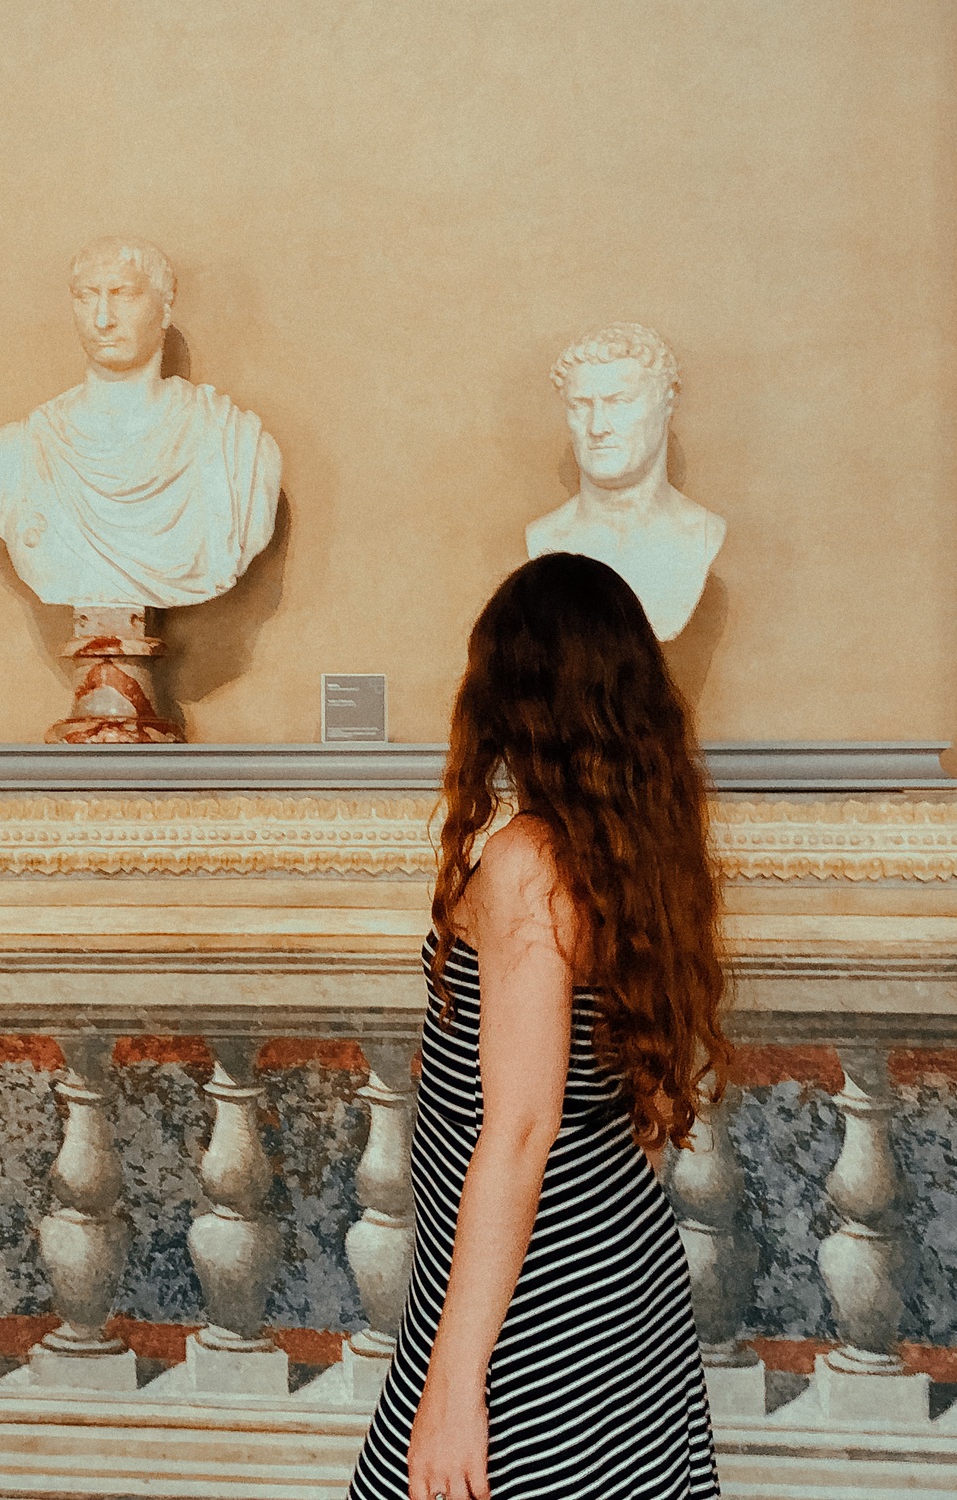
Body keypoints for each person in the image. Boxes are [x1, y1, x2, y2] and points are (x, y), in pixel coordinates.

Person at [349, 551, 727, 1500]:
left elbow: (520, 1129)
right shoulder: (632, 856)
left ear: (512, 698)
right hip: (617, 1275)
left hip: (543, 1307)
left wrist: (451, 1384)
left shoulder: (528, 861)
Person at [0, 235, 281, 609]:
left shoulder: (234, 447)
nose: (102, 319)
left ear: (165, 309)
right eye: (86, 296)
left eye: (123, 294)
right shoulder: (16, 454)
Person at [524, 325, 724, 641]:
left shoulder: (700, 535)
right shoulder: (547, 537)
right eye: (581, 406)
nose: (597, 427)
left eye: (619, 402)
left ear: (667, 404)